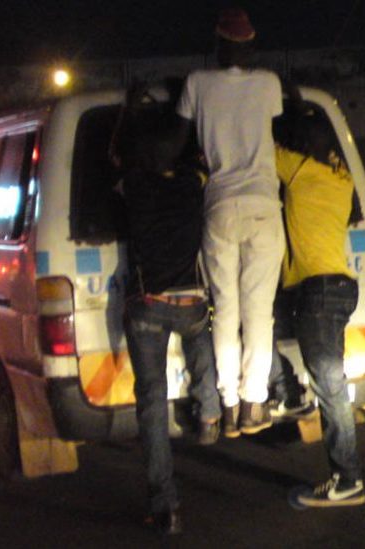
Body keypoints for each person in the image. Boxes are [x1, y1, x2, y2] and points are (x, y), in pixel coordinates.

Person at [174, 7, 285, 437]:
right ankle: (253, 405)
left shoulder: (197, 84)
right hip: (262, 204)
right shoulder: (268, 84)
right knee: (259, 311)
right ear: (252, 46)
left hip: (218, 204)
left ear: (218, 46)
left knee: (225, 310)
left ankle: (228, 400)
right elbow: (279, 122)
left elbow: (181, 140)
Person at [117, 85, 222, 535]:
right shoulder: (191, 186)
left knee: (152, 402)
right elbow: (198, 158)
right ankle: (210, 411)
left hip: (149, 307)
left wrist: (127, 113)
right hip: (191, 301)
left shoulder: (132, 186)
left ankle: (166, 505)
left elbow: (114, 157)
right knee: (202, 336)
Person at [273, 107, 365, 507]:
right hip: (340, 288)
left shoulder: (299, 170)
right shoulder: (341, 179)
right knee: (332, 384)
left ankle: (347, 481)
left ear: (305, 148)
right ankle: (287, 391)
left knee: (331, 389)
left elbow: (261, 148)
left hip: (320, 291)